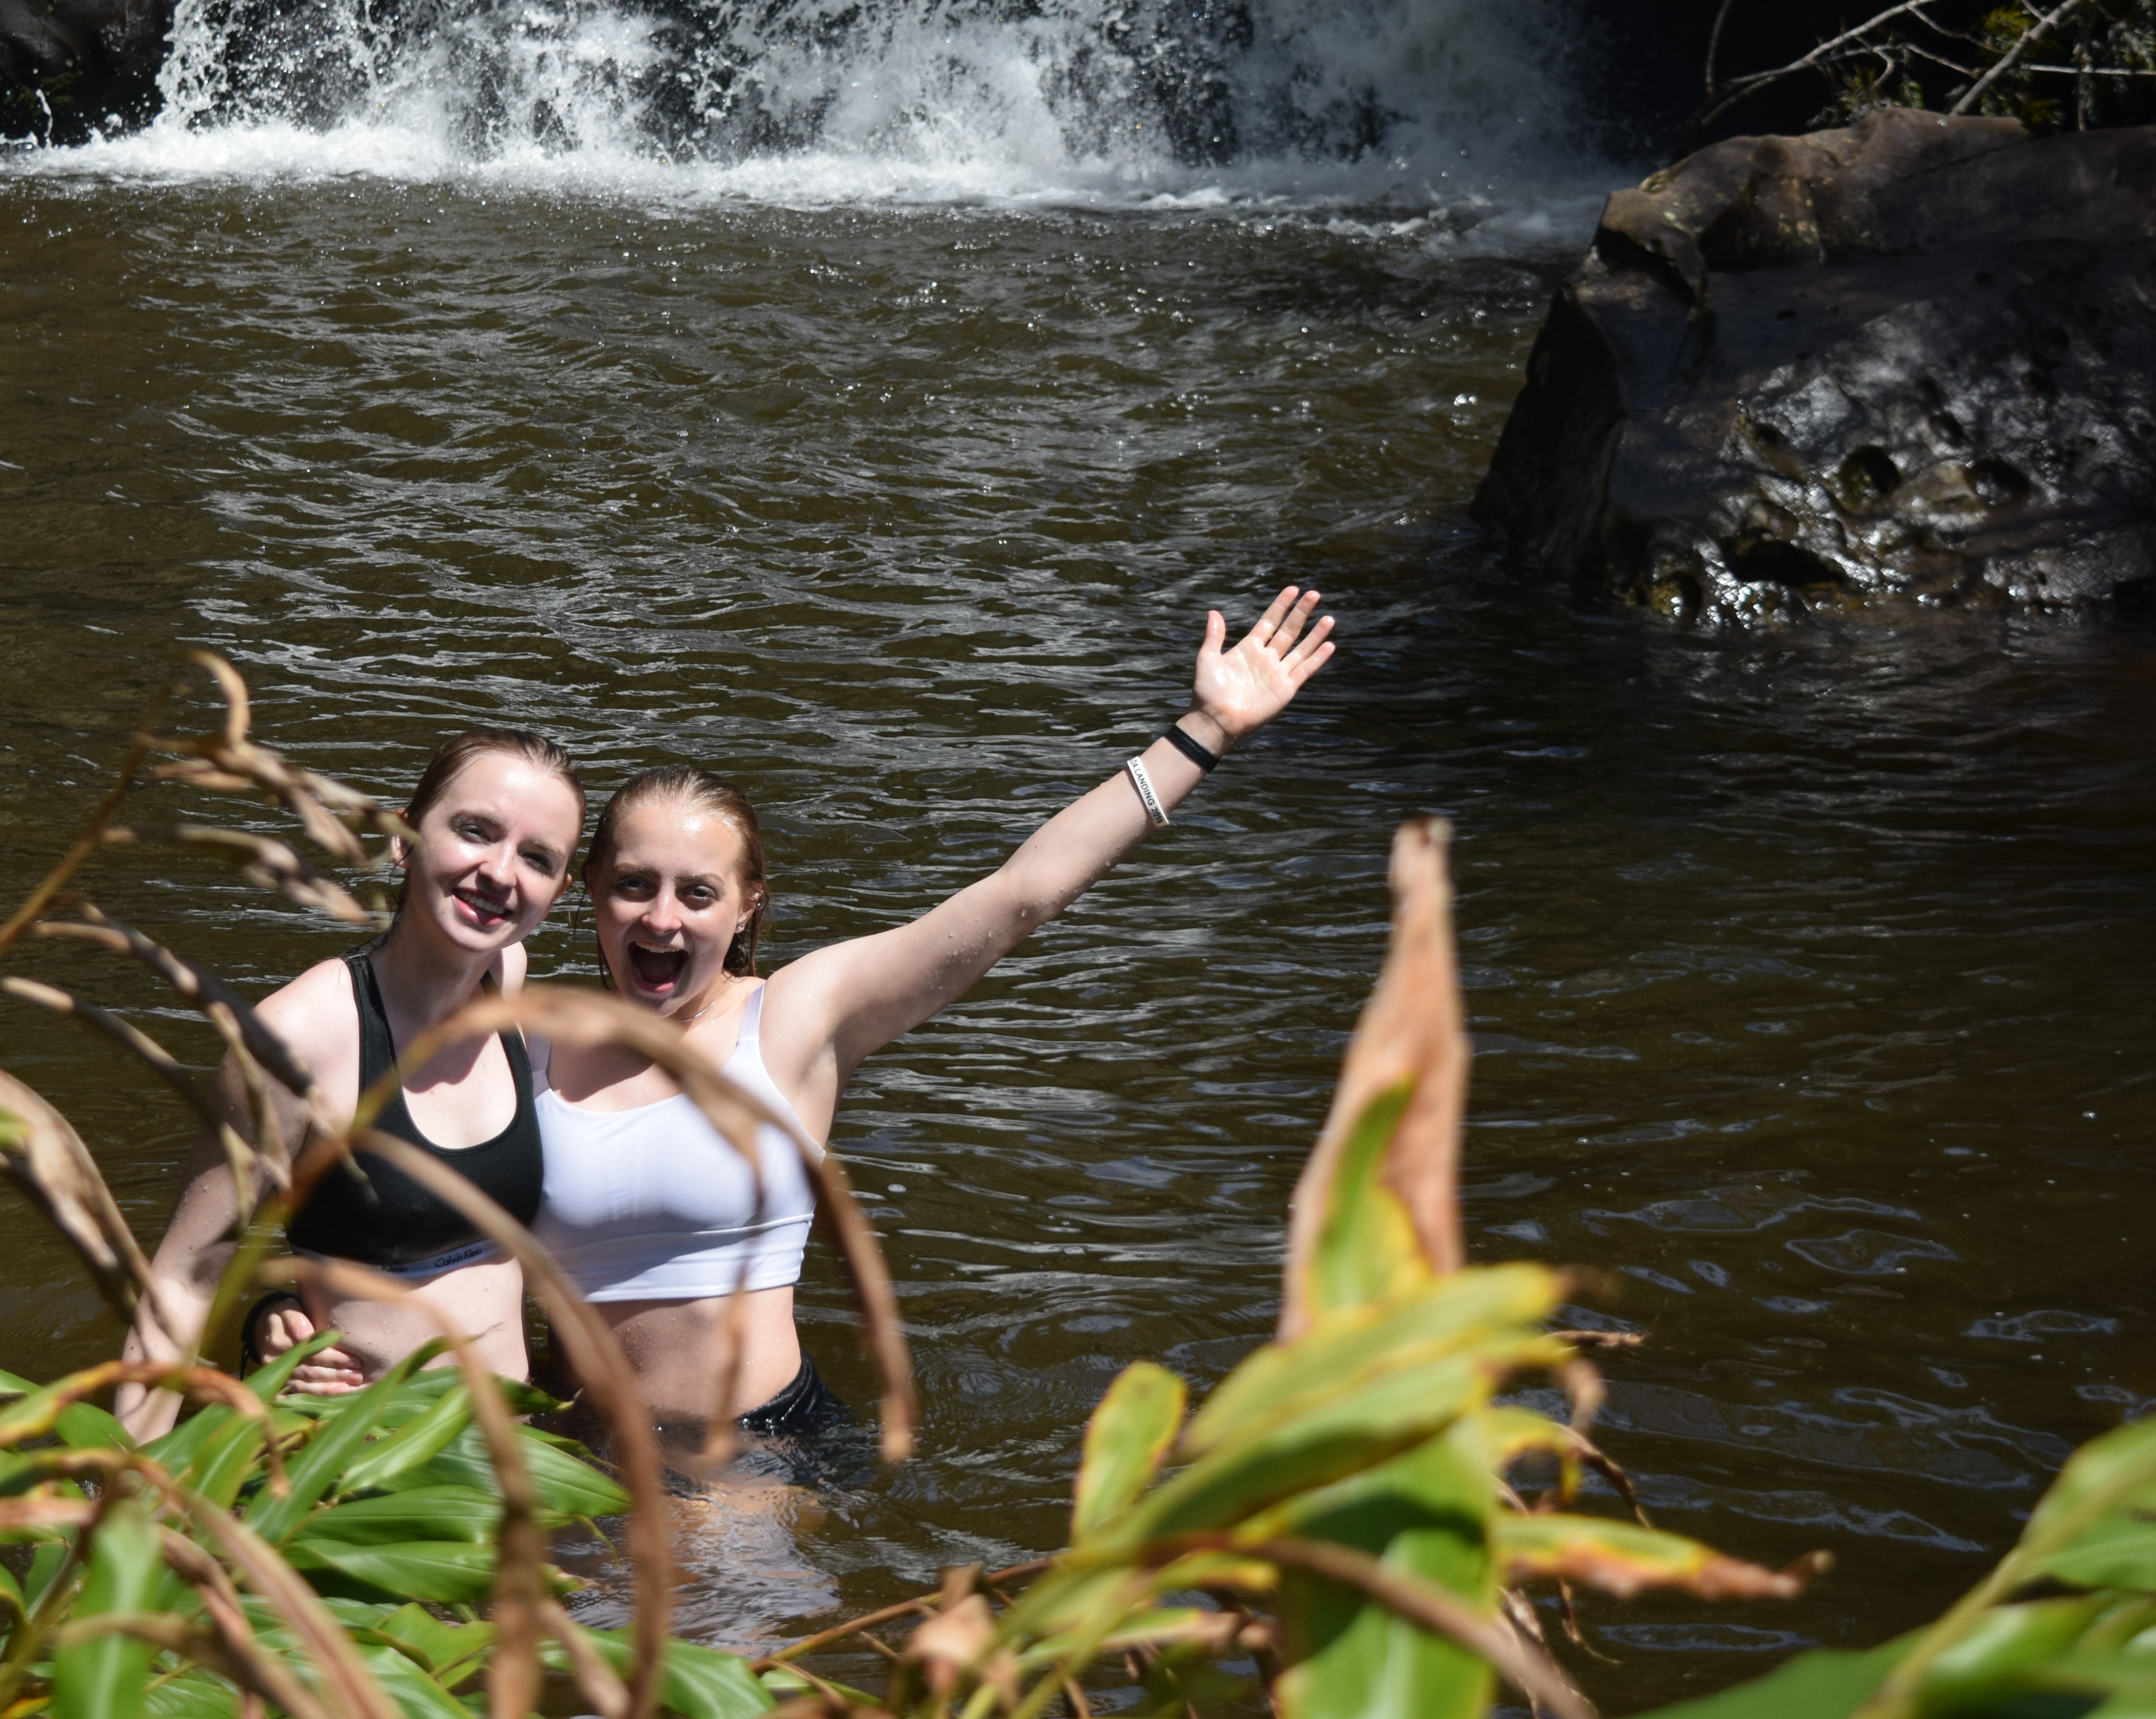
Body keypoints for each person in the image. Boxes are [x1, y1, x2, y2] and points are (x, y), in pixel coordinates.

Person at [267, 586, 1335, 1439]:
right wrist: (293, 1310)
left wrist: (1203, 731)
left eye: (698, 894)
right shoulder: (521, 1028)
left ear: (745, 911)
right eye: (633, 884)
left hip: (760, 1448)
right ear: (588, 897)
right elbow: (374, 1175)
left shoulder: (799, 1019)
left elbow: (1015, 899)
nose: (662, 918)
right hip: (584, 1444)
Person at [116, 728, 586, 1440]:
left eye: (536, 858)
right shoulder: (295, 1043)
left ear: (558, 892)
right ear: (403, 838)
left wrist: (269, 1311)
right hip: (353, 1467)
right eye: (474, 831)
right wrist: (131, 1503)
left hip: (509, 1455)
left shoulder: (506, 982)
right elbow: (183, 1283)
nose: (500, 872)